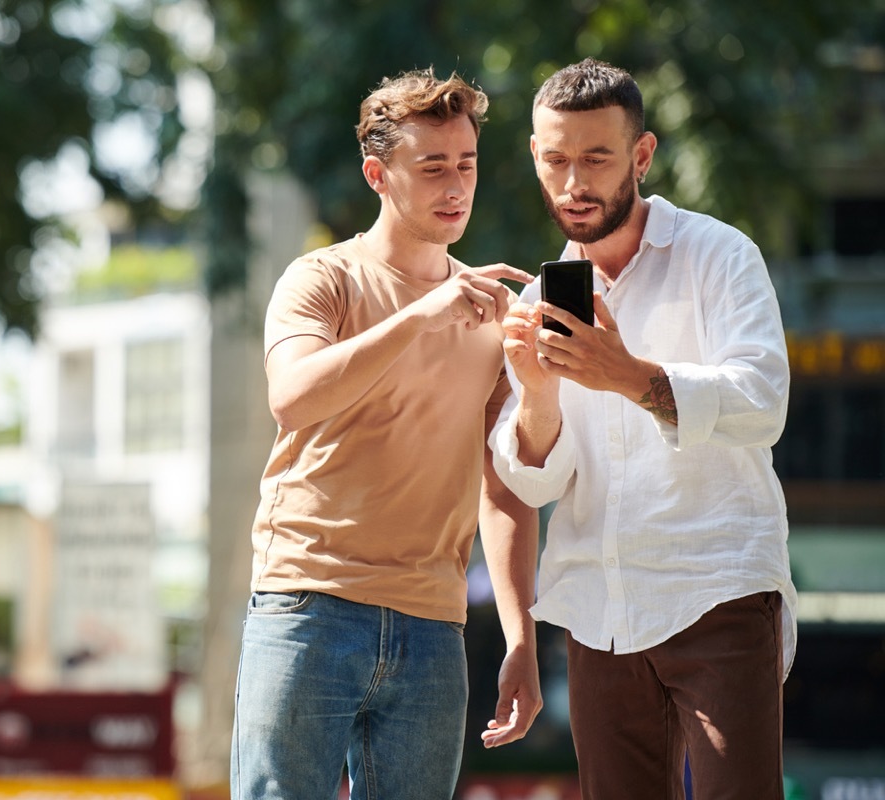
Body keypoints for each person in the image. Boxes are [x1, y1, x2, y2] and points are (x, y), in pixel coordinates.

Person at [489, 57, 798, 799]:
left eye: (597, 158)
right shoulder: (538, 297)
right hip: (599, 614)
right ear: (534, 154)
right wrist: (537, 395)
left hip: (717, 592)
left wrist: (626, 374)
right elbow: (531, 479)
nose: (575, 182)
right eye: (557, 159)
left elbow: (764, 404)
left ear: (642, 154)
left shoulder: (720, 255)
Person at [230, 67, 543, 800]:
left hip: (435, 627)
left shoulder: (494, 314)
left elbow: (505, 485)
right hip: (308, 602)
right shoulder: (321, 278)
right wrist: (425, 312)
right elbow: (293, 397)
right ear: (379, 174)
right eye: (431, 167)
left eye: (465, 164)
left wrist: (520, 637)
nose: (455, 184)